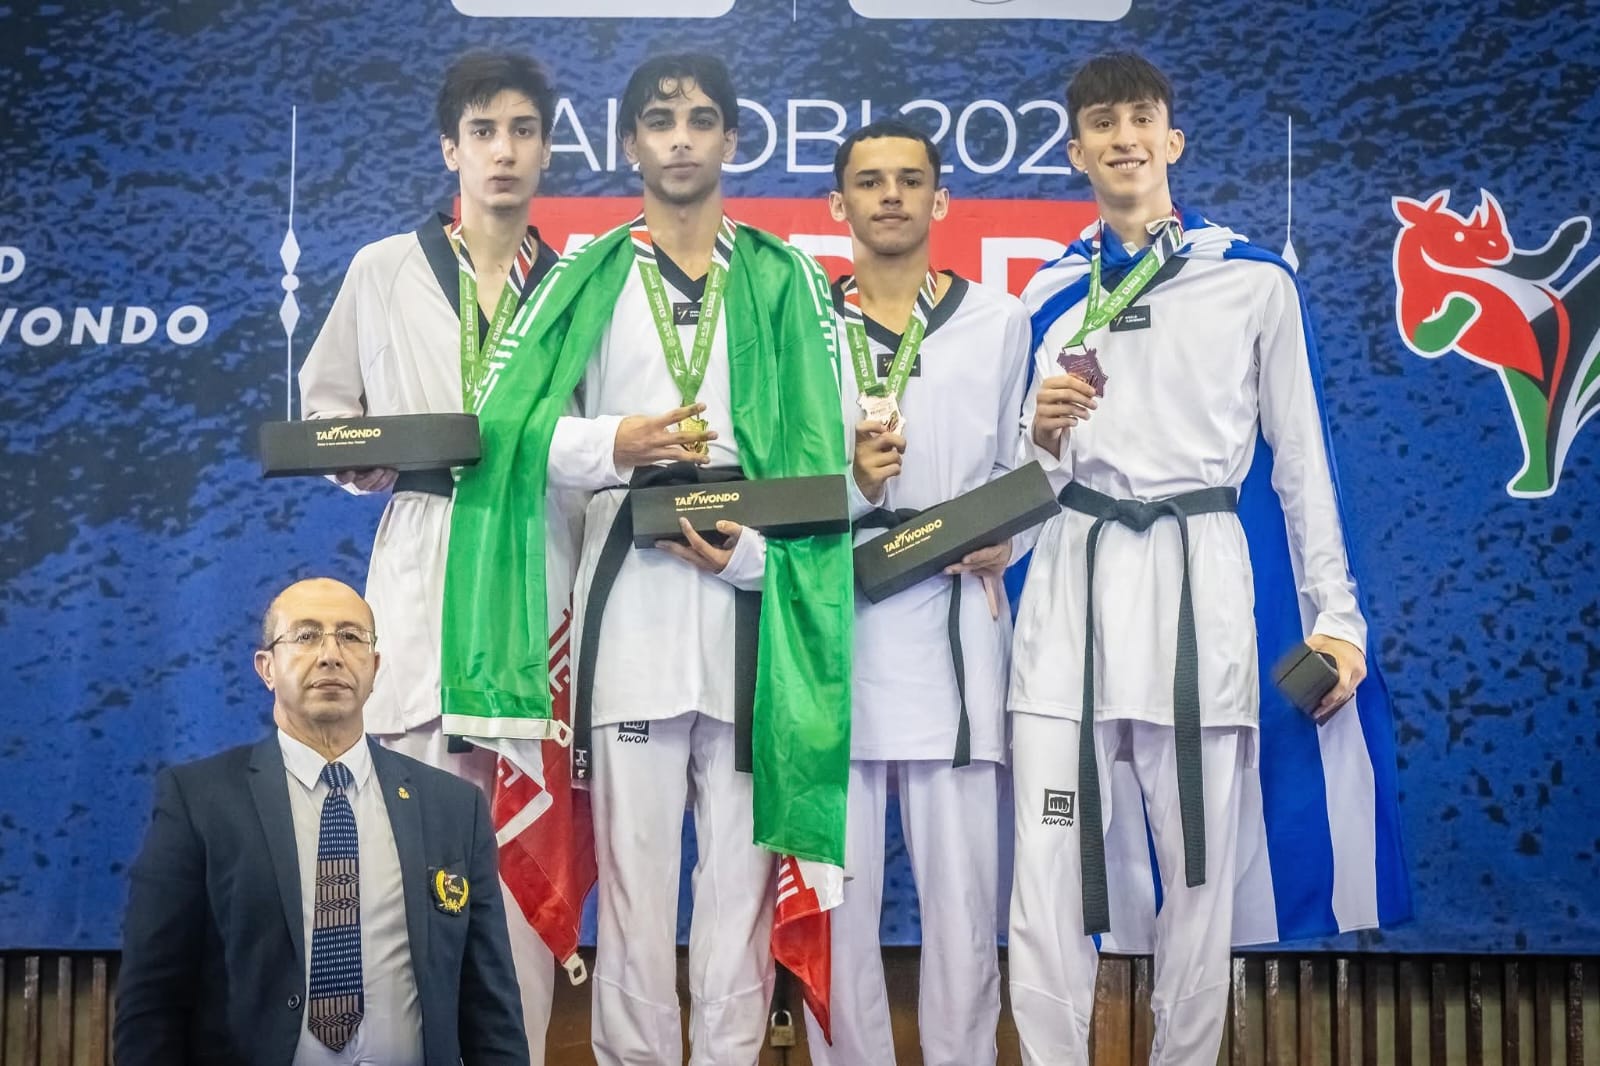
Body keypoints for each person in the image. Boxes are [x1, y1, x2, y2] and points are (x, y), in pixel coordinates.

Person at [435, 53, 852, 1066]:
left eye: (701, 120)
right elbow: (508, 429)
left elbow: (826, 453)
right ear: (629, 143)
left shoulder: (785, 276)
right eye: (660, 121)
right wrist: (613, 443)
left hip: (752, 611)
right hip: (627, 604)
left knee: (737, 894)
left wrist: (755, 556)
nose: (680, 138)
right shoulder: (582, 275)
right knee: (632, 887)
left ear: (731, 141)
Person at [1007, 52, 1407, 1066]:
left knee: (1198, 880)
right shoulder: (1045, 293)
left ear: (1172, 139)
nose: (1124, 138)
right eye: (1103, 124)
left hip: (1198, 588)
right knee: (1046, 875)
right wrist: (1039, 435)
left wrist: (1338, 619)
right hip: (1073, 589)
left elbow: (1301, 465)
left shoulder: (1253, 280)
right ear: (1075, 152)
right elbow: (1020, 483)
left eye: (1140, 118)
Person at [297, 50, 573, 1054]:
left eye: (523, 131)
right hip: (421, 564)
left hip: (535, 570)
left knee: (522, 863)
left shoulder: (574, 287)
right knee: (404, 862)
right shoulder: (383, 268)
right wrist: (360, 462)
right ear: (450, 148)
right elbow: (326, 412)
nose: (504, 151)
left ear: (547, 149)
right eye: (483, 132)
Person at [801, 120, 1030, 1066]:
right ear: (837, 204)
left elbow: (1024, 470)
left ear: (941, 201)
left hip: (954, 624)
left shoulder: (1000, 321)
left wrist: (1010, 540)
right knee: (837, 907)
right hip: (837, 621)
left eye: (908, 180)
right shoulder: (804, 327)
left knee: (965, 905)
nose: (889, 195)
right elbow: (783, 476)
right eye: (869, 181)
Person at [114, 578, 528, 1066]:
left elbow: (490, 1006)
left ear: (374, 667)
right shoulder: (199, 801)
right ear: (267, 668)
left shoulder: (453, 808)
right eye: (306, 636)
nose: (331, 655)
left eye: (351, 637)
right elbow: (152, 1001)